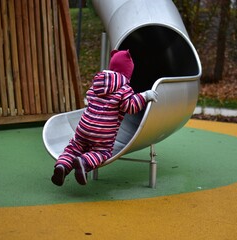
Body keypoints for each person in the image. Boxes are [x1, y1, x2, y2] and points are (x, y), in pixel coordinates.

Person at [51, 49, 158, 186]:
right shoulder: (124, 89)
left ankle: (62, 166)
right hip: (103, 132)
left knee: (74, 147)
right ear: (127, 72)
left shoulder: (97, 84)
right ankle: (84, 162)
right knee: (102, 152)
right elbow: (130, 106)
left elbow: (89, 97)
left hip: (84, 127)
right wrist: (144, 96)